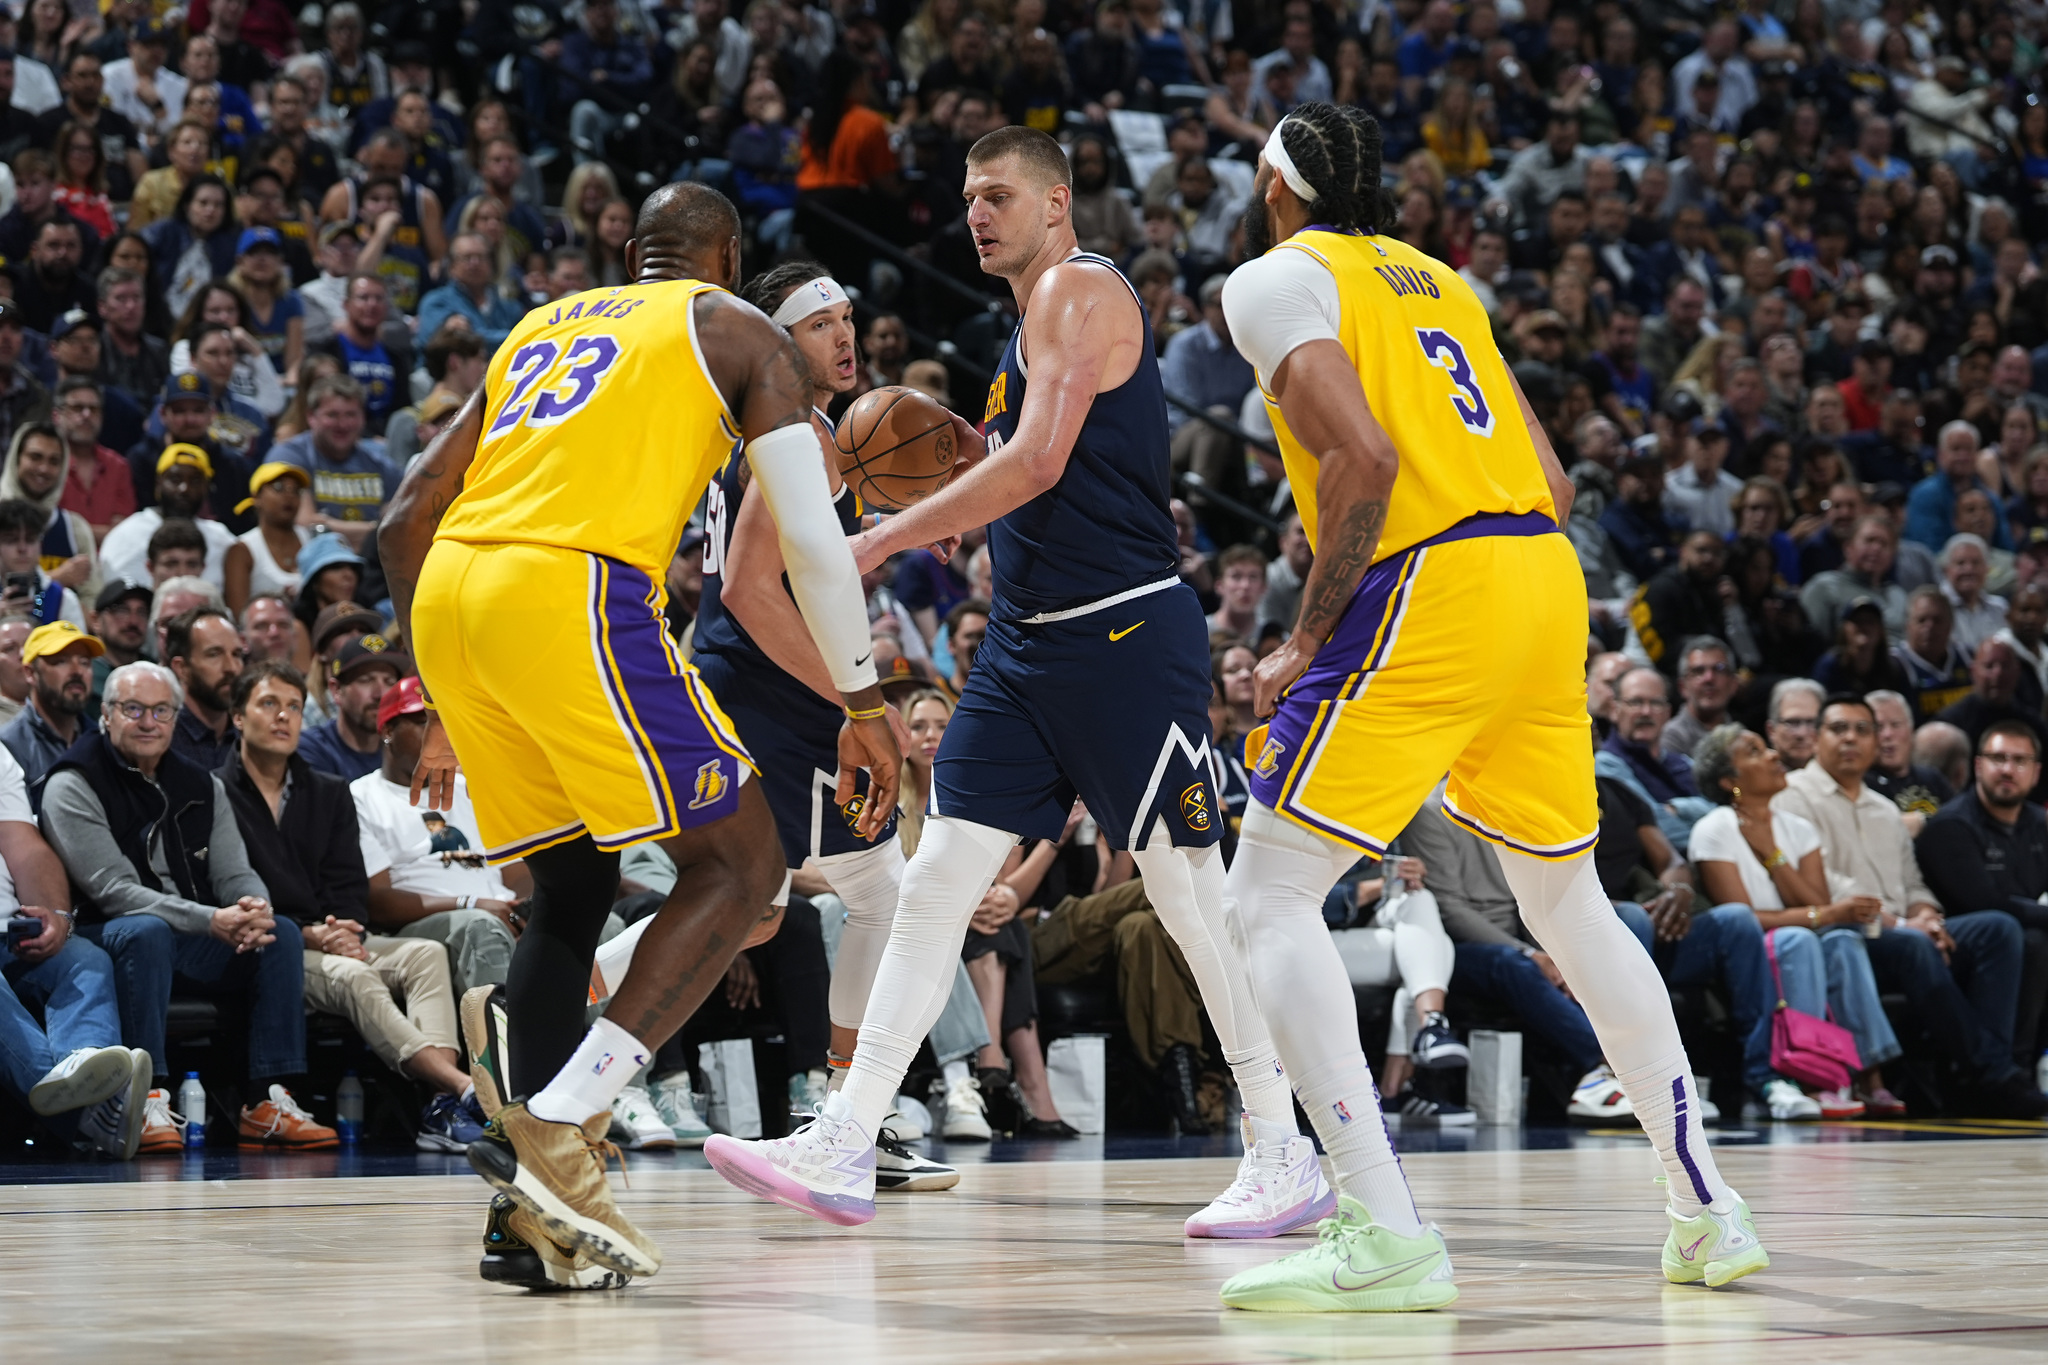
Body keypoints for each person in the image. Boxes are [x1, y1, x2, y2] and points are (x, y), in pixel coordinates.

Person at [707, 129, 1312, 1248]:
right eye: (967, 197)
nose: (976, 214)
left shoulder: (1079, 295)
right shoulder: (1017, 326)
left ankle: (1279, 1146)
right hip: (1027, 651)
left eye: (997, 195)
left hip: (1124, 639)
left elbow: (1033, 464)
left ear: (1058, 202)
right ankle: (846, 1132)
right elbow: (1024, 482)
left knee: (1186, 894)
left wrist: (882, 540)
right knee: (935, 882)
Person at [1201, 101, 1756, 1308]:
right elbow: (1552, 482)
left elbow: (1365, 461)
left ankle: (1379, 1218)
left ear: (1274, 183)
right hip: (1544, 583)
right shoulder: (1442, 282)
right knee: (1565, 900)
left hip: (1431, 578)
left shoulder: (1270, 278)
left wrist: (1305, 635)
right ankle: (1705, 1208)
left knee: (1267, 893)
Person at [380, 181, 897, 1288]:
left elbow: (402, 513)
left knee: (566, 889)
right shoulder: (734, 327)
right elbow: (811, 543)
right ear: (730, 256)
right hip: (570, 584)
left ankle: (530, 1221)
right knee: (747, 863)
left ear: (632, 254)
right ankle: (566, 1119)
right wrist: (863, 702)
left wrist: (442, 681)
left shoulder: (541, 324)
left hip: (451, 593)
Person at [683, 260, 961, 1188]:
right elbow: (748, 590)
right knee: (860, 897)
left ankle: (846, 1117)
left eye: (848, 319)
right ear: (774, 343)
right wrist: (861, 703)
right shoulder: (794, 432)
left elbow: (805, 562)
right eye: (818, 326)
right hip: (772, 696)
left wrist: (914, 514)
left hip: (760, 688)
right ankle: (847, 1116)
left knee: (762, 912)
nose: (844, 338)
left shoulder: (782, 430)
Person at [46, 661, 338, 1148]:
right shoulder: (73, 782)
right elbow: (113, 892)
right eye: (133, 709)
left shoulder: (202, 784)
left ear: (176, 719)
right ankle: (145, 1099)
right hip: (105, 936)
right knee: (146, 930)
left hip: (192, 934)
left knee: (280, 932)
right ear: (106, 714)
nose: (148, 722)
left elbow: (234, 872)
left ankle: (266, 1098)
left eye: (162, 711)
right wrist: (212, 920)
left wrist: (254, 909)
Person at [219, 659, 486, 1152]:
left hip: (332, 935)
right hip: (271, 945)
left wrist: (345, 929)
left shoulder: (327, 791)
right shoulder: (216, 791)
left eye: (295, 707)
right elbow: (229, 889)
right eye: (269, 704)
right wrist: (311, 932)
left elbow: (347, 883)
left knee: (426, 955)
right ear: (238, 717)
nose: (283, 717)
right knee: (356, 977)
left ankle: (439, 1109)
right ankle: (460, 1088)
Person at [1774, 695, 2045, 1116]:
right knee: (1915, 947)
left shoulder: (1884, 809)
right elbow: (1821, 883)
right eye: (1838, 729)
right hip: (1844, 932)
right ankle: (1992, 1072)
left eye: (1862, 730)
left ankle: (1995, 1065)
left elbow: (1914, 882)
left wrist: (1926, 916)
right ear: (1817, 738)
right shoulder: (1791, 797)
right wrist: (1903, 923)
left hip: (1902, 926)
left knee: (1998, 928)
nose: (1851, 739)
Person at [1689, 725, 1904, 1117]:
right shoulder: (1714, 829)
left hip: (1800, 932)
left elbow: (1817, 905)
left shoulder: (1798, 829)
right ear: (1729, 781)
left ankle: (1867, 1076)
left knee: (1840, 940)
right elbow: (1743, 921)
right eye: (1754, 751)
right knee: (1799, 940)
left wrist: (1773, 856)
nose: (1773, 754)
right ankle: (1810, 1075)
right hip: (1756, 949)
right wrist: (1823, 914)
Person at [0, 728, 152, 1160]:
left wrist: (55, 913)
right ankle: (91, 1117)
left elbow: (24, 845)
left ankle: (85, 1059)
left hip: (7, 931)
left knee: (84, 958)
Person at [274, 374, 399, 545]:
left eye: (351, 414)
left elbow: (399, 529)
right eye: (332, 415)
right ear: (311, 416)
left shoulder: (382, 464)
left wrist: (327, 525)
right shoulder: (289, 457)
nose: (343, 424)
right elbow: (304, 525)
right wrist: (377, 530)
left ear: (363, 417)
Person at [97, 444, 236, 589]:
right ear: (158, 483)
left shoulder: (222, 538)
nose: (184, 489)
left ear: (206, 488)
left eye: (195, 481)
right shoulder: (128, 533)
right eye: (175, 480)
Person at [0, 619, 101, 792]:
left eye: (84, 662)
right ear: (30, 673)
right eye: (61, 661)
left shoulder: (102, 740)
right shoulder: (9, 746)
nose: (77, 671)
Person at [297, 633, 401, 782]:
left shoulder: (403, 752)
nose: (380, 694)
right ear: (336, 690)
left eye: (389, 681)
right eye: (366, 680)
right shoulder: (312, 749)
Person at [221, 461, 310, 611]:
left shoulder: (311, 539)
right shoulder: (242, 550)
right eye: (278, 487)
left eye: (296, 490)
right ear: (256, 497)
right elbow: (240, 616)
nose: (289, 495)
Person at [1865, 688, 1954, 832]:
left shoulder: (1932, 777)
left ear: (1911, 729)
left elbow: (1958, 818)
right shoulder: (1863, 785)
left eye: (1895, 724)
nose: (1888, 734)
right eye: (1879, 727)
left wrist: (1922, 822)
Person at [1662, 636, 1739, 761]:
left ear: (1734, 684)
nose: (1709, 678)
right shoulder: (1671, 739)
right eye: (1698, 671)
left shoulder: (1743, 736)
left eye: (1719, 669)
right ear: (1682, 687)